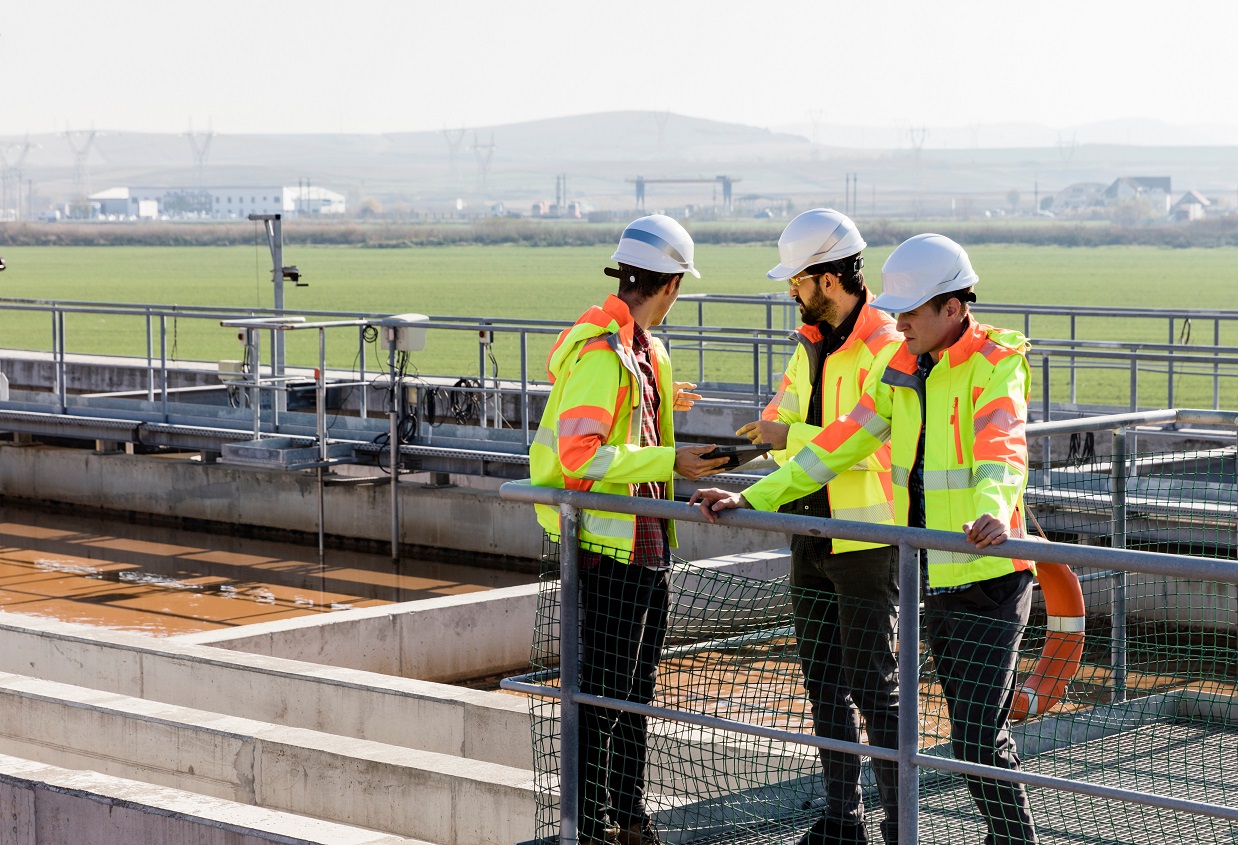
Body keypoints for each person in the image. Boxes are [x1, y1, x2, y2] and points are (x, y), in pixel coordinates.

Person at [691, 233, 1039, 845]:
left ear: (952, 308)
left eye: (910, 312)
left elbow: (1001, 449)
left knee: (978, 736)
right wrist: (753, 496)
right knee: (968, 738)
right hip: (931, 573)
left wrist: (991, 512)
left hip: (989, 571)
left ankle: (1012, 841)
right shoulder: (905, 368)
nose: (898, 321)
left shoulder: (995, 363)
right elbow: (836, 444)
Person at [529, 214, 729, 845]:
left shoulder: (641, 350)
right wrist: (674, 460)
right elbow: (579, 456)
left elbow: (623, 420)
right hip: (610, 548)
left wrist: (668, 401)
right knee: (605, 691)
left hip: (644, 542)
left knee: (634, 688)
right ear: (669, 285)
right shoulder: (602, 354)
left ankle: (628, 814)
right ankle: (586, 825)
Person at [737, 208, 903, 845]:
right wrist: (738, 457)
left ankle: (898, 826)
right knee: (824, 683)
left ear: (829, 279)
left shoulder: (886, 346)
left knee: (874, 688)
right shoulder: (809, 344)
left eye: (797, 280)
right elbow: (776, 420)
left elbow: (867, 443)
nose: (791, 292)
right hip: (810, 532)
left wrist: (787, 438)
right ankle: (842, 820)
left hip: (864, 540)